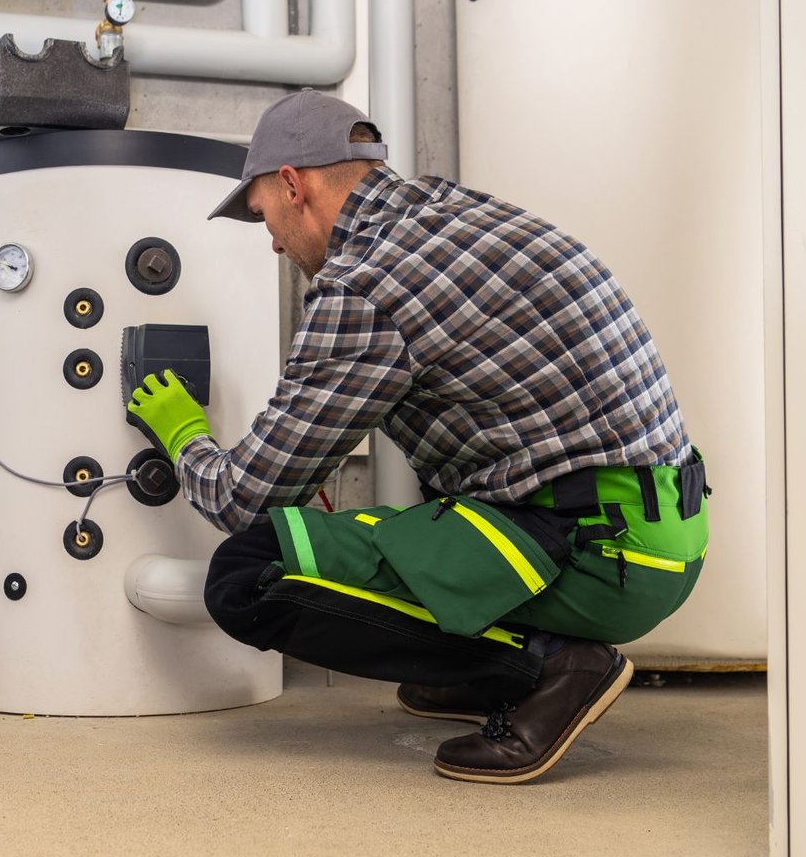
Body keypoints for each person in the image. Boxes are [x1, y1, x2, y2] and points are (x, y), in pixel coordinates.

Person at [125, 89, 710, 784]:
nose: (274, 242)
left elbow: (240, 499)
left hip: (598, 555)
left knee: (247, 576)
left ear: (292, 184)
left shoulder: (364, 285)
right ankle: (493, 664)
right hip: (669, 531)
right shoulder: (452, 211)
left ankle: (550, 665)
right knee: (398, 526)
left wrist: (184, 432)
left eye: (265, 217)